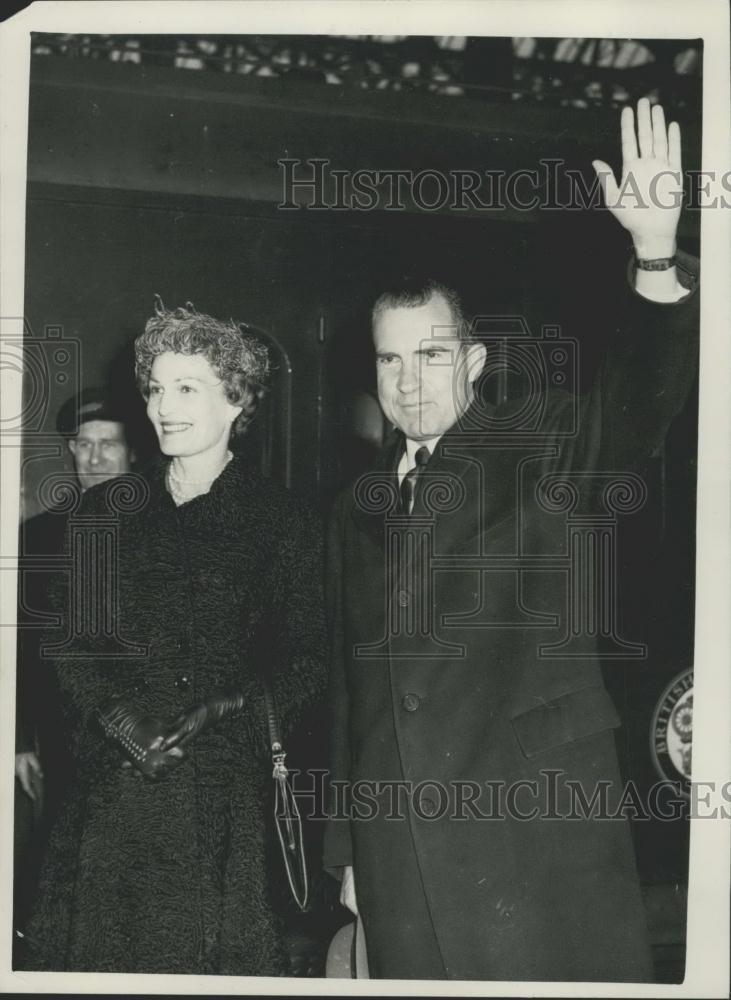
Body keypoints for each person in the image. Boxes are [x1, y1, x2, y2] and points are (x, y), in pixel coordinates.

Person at [324, 100, 699, 980]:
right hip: (398, 845)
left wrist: (653, 253)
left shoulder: (543, 448)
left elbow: (636, 404)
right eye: (389, 361)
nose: (408, 384)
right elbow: (350, 688)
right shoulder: (353, 507)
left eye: (431, 356)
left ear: (476, 362)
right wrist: (347, 849)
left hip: (529, 833)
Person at [20, 303, 327, 975]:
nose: (164, 405)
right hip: (112, 800)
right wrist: (119, 722)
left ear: (236, 399)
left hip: (225, 811)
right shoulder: (105, 513)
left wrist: (234, 706)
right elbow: (71, 642)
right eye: (156, 388)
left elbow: (307, 660)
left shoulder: (283, 523)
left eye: (187, 388)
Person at [14, 388, 136, 940]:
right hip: (63, 739)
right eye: (82, 445)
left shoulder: (172, 530)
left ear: (133, 452)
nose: (93, 459)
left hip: (148, 740)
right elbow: (16, 646)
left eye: (107, 445)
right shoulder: (37, 536)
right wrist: (18, 739)